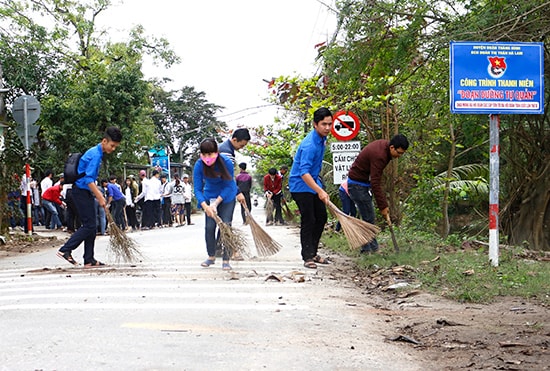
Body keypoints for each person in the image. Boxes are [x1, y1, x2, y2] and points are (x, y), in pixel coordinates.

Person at [56, 126, 122, 267]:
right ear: (104, 141)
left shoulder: (96, 152)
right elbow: (88, 180)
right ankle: (65, 250)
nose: (113, 149)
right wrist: (100, 196)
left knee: (91, 226)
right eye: (112, 145)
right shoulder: (96, 155)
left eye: (115, 147)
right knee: (89, 225)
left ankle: (89, 259)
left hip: (83, 192)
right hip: (80, 192)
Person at [347, 133, 409, 253]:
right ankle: (369, 250)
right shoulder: (380, 156)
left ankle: (370, 249)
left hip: (361, 184)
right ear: (392, 147)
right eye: (399, 153)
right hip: (357, 185)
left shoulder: (384, 148)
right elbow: (375, 183)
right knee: (368, 218)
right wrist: (383, 206)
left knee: (367, 217)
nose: (399, 156)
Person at [289, 107, 333, 269]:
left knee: (321, 218)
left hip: (313, 184)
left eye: (330, 124)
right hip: (300, 186)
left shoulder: (322, 140)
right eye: (323, 124)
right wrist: (320, 190)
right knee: (309, 219)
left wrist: (319, 188)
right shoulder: (310, 145)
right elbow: (304, 173)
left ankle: (313, 252)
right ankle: (307, 256)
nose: (327, 128)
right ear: (315, 124)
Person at [193, 138, 245, 271]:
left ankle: (226, 259)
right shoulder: (199, 165)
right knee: (209, 227)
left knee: (226, 226)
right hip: (209, 195)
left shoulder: (226, 162)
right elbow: (197, 189)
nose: (207, 158)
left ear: (216, 152)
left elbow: (229, 185)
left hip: (226, 196)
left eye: (210, 154)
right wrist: (205, 206)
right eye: (204, 154)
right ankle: (211, 256)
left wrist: (216, 203)